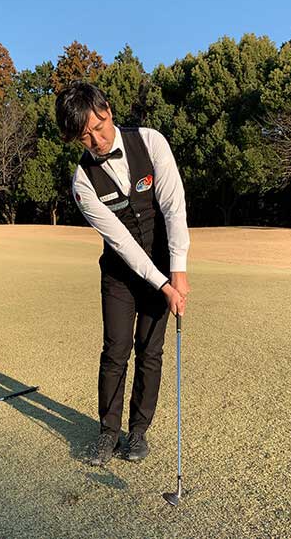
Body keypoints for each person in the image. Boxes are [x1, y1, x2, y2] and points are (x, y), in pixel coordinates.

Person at [56, 81, 190, 466]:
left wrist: (177, 271)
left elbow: (173, 207)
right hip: (119, 272)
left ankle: (138, 432)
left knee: (151, 350)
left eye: (99, 128)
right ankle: (107, 432)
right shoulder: (83, 183)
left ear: (108, 111)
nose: (96, 141)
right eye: (85, 137)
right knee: (116, 350)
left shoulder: (151, 142)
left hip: (162, 262)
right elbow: (123, 243)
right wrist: (163, 284)